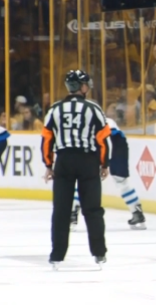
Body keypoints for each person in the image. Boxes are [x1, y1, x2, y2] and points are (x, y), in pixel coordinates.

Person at [41, 70, 112, 269]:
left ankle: (57, 255)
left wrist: (48, 164)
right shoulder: (93, 108)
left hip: (63, 161)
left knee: (61, 210)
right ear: (81, 87)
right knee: (93, 210)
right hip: (87, 161)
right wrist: (104, 163)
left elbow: (47, 140)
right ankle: (99, 253)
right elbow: (104, 139)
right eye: (86, 84)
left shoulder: (54, 109)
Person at [71, 117, 147, 231]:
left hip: (105, 143)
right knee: (121, 181)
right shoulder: (107, 120)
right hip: (117, 144)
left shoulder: (83, 120)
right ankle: (137, 212)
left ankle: (73, 213)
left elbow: (104, 143)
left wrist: (104, 164)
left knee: (84, 178)